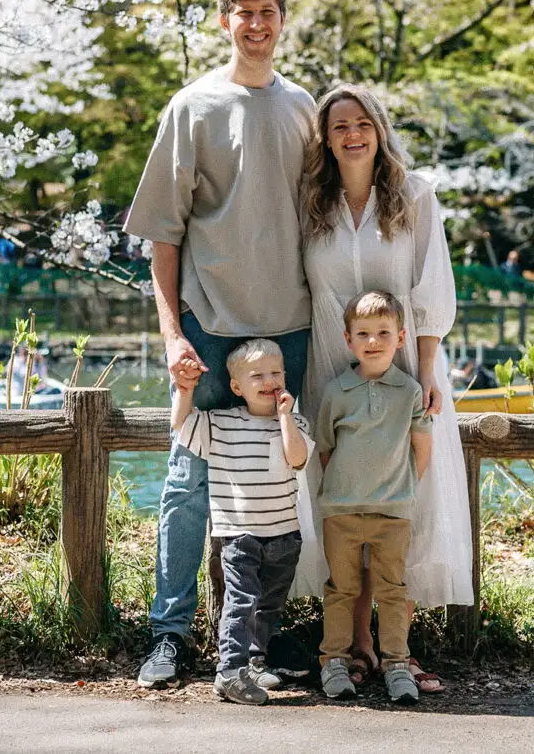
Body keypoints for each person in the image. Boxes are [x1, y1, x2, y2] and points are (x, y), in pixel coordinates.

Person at [124, 0, 316, 690]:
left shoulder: (303, 109)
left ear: (282, 18)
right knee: (189, 482)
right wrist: (173, 333)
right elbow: (162, 239)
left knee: (284, 482)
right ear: (224, 19)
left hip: (290, 327)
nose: (257, 24)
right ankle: (169, 634)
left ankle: (259, 639)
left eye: (268, 11)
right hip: (211, 327)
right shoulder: (193, 106)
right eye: (244, 13)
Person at [295, 82, 473, 693]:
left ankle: (397, 647)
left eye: (362, 122)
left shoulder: (415, 195)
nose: (352, 134)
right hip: (329, 365)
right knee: (345, 502)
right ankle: (354, 645)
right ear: (324, 137)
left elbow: (430, 287)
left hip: (404, 370)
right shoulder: (309, 200)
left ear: (379, 128)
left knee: (403, 502)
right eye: (339, 125)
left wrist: (424, 370)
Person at [170, 339, 311, 706]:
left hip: (284, 534)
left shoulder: (295, 422)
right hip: (239, 535)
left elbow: (297, 459)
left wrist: (284, 418)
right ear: (236, 387)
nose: (270, 381)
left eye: (276, 373)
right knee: (241, 602)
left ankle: (254, 660)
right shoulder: (221, 423)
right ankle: (230, 671)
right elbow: (181, 427)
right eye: (258, 375)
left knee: (269, 605)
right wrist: (185, 391)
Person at [315, 291, 431, 705]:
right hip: (341, 511)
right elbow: (326, 448)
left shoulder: (410, 391)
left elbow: (421, 448)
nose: (373, 341)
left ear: (400, 338)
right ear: (348, 340)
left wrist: (399, 487)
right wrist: (345, 487)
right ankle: (334, 661)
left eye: (383, 332)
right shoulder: (336, 391)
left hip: (393, 511)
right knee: (341, 588)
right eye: (363, 333)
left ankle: (396, 664)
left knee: (392, 590)